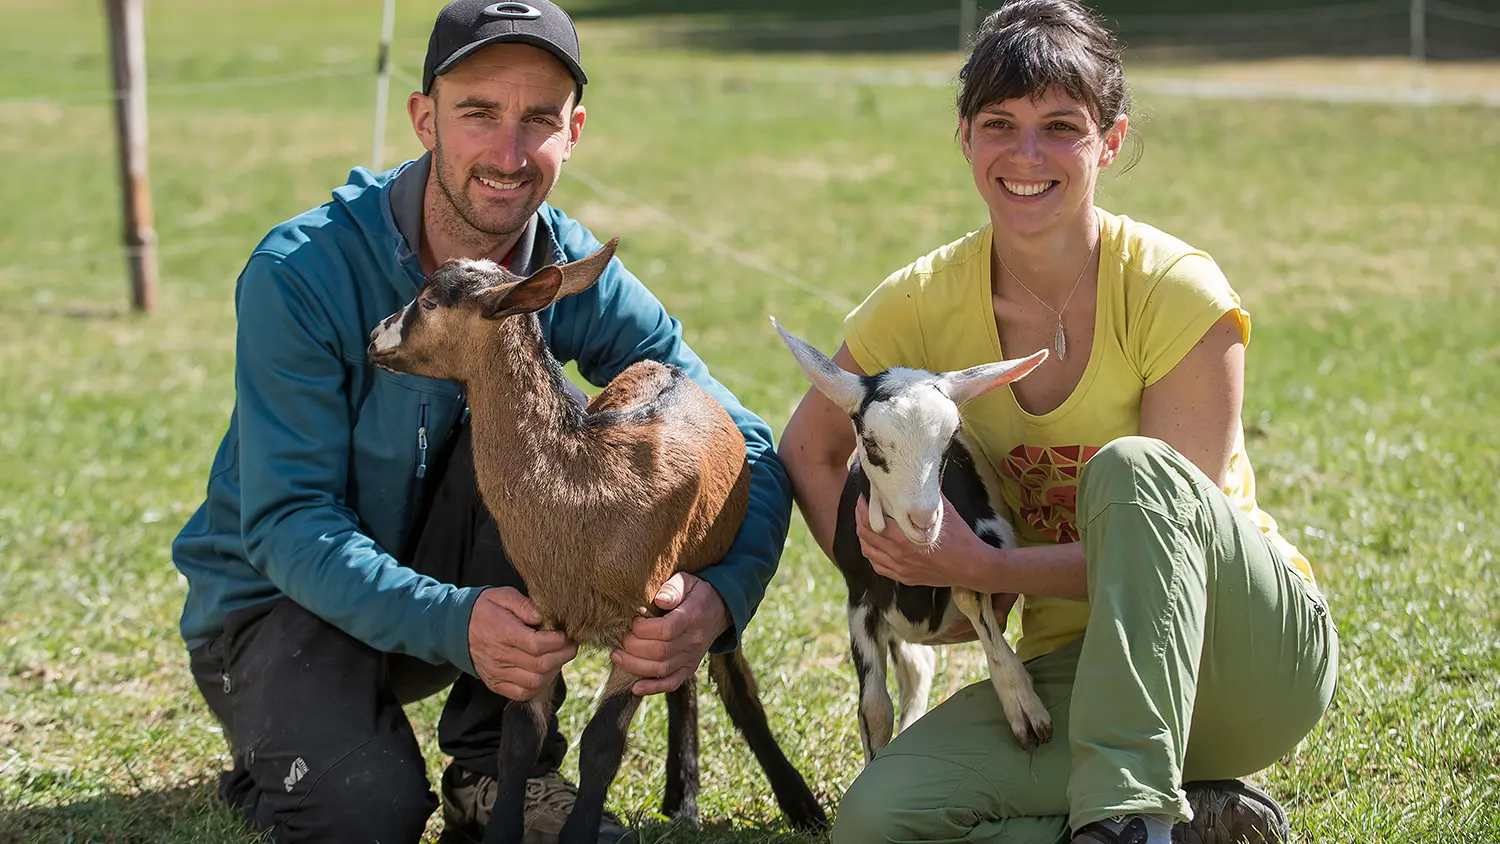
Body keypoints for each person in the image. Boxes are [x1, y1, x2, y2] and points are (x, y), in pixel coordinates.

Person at [170, 1, 793, 841]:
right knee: (364, 815)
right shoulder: (302, 273)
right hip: (282, 604)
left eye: (537, 118)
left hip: (461, 608)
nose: (508, 153)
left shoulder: (562, 270)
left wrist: (721, 597)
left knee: (551, 429)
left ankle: (495, 771)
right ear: (425, 119)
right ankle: (284, 753)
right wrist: (452, 622)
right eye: (477, 114)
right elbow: (287, 524)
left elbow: (740, 436)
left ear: (573, 131)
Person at [778, 2, 1339, 843]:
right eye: (999, 123)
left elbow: (1166, 551)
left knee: (1136, 470)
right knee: (875, 823)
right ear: (965, 137)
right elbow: (811, 450)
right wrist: (894, 577)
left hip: (1244, 657)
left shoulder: (1178, 290)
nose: (1027, 154)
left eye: (1062, 127)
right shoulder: (922, 299)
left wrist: (988, 569)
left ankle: (1131, 818)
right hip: (1075, 671)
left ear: (1109, 144)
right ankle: (1198, 825)